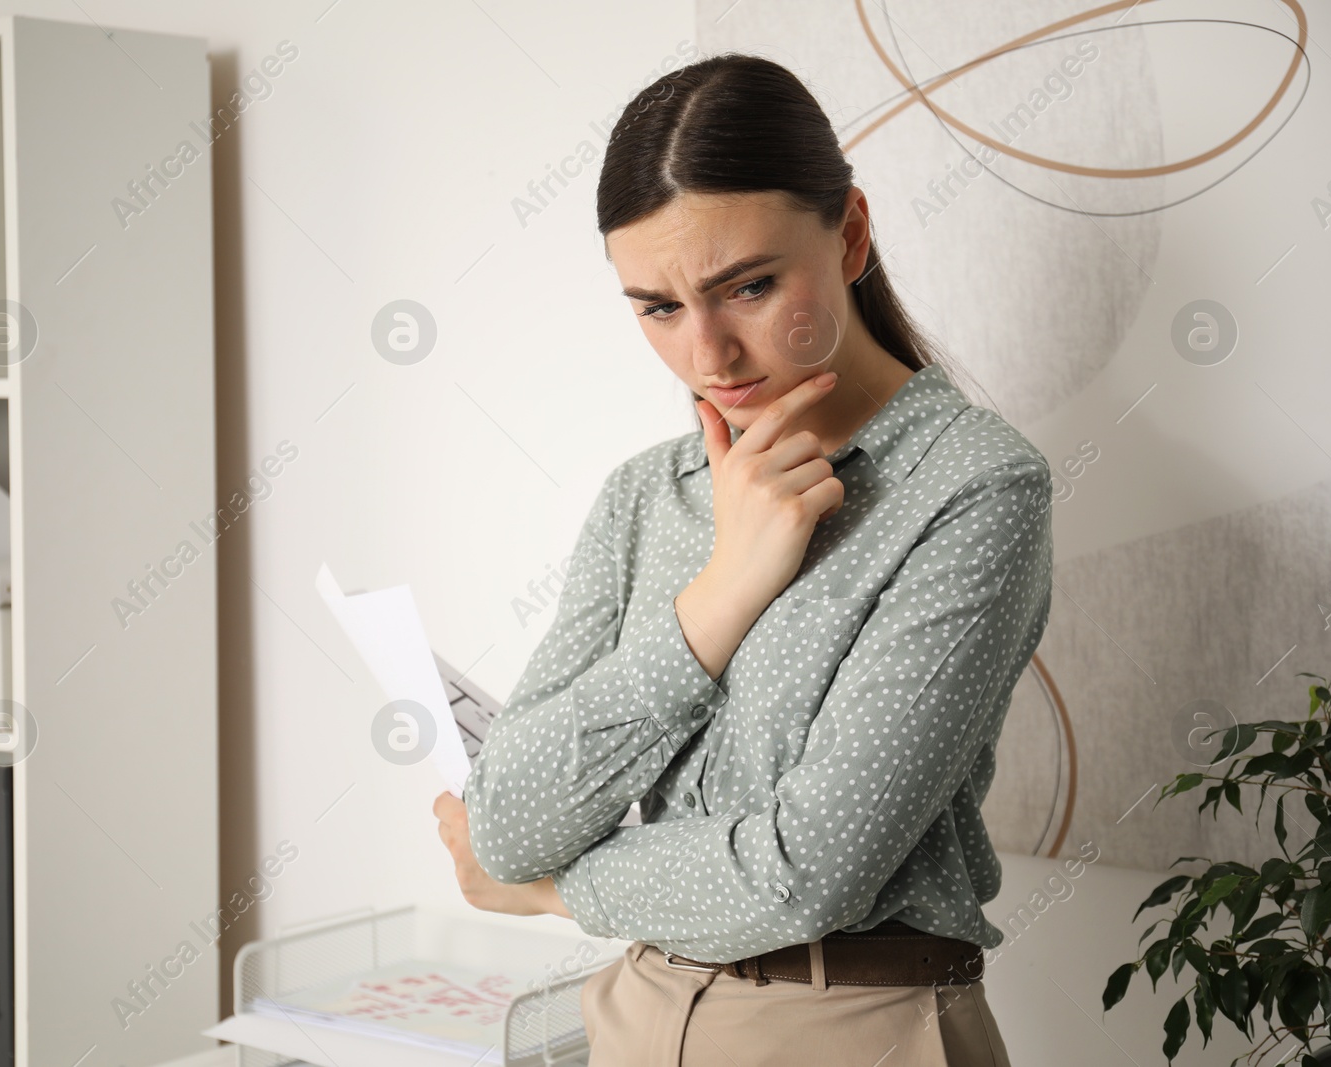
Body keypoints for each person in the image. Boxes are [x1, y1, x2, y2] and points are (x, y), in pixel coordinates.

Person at [432, 52, 1052, 1067]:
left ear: (849, 235)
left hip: (851, 1026)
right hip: (632, 1010)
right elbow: (501, 821)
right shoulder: (646, 494)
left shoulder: (974, 487)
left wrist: (552, 889)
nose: (709, 357)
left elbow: (806, 871)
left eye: (750, 286)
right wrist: (722, 593)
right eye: (659, 307)